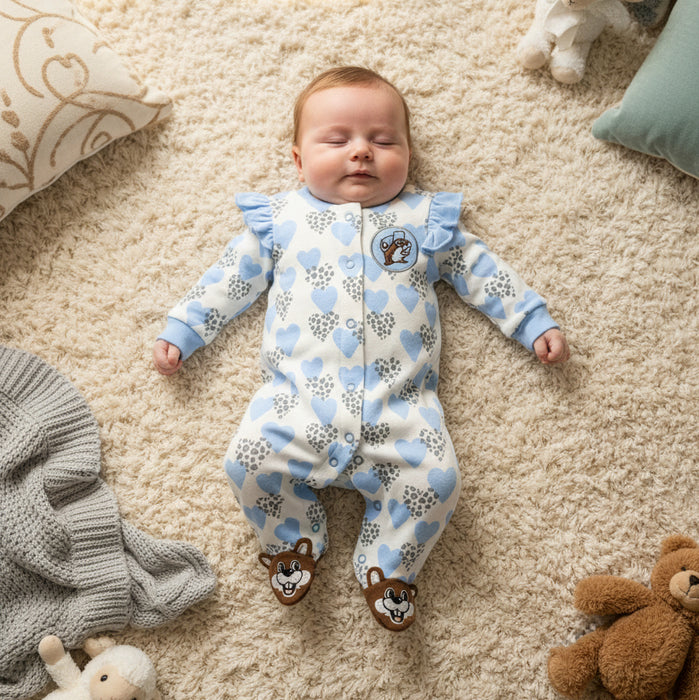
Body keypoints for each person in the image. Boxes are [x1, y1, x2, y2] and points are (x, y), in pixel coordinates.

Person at [153, 66, 569, 631]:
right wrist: (183, 329)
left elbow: (482, 273)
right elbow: (227, 280)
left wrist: (531, 321)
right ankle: (292, 536)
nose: (361, 153)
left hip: (400, 409)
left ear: (409, 154)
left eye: (382, 140)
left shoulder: (424, 221)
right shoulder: (282, 222)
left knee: (438, 482)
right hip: (296, 404)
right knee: (245, 462)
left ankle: (388, 564)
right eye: (337, 139)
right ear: (298, 160)